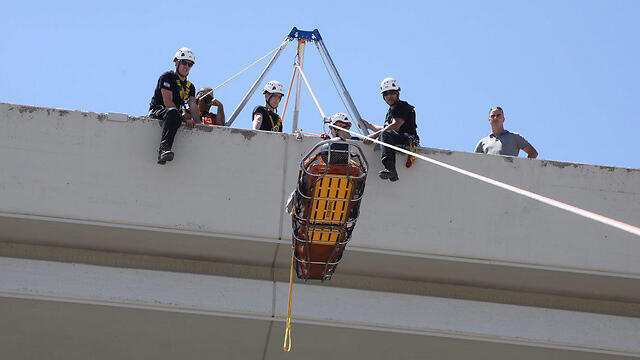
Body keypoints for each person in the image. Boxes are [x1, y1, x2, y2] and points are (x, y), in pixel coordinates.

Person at [360, 77, 418, 182]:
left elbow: (395, 126)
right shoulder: (390, 112)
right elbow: (386, 128)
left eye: (392, 93)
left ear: (397, 93)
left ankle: (391, 169)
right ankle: (392, 173)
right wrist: (369, 125)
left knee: (385, 134)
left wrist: (373, 136)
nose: (389, 96)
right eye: (386, 94)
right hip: (397, 137)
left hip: (406, 139)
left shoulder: (402, 106)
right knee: (385, 134)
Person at [148, 47, 199, 164]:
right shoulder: (167, 77)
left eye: (190, 64)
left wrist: (198, 123)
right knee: (173, 112)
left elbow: (193, 105)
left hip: (174, 114)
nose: (187, 66)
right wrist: (184, 119)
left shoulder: (190, 86)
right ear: (176, 62)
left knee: (174, 113)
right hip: (159, 111)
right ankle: (163, 150)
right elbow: (167, 102)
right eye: (184, 62)